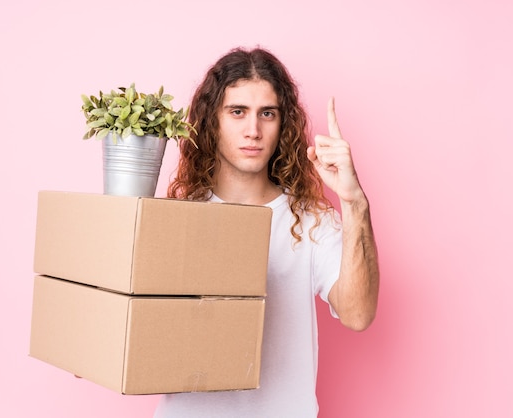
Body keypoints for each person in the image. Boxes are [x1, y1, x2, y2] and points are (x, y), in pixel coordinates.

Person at [154, 46, 379, 418]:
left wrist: (355, 202)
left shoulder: (310, 220)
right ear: (213, 121)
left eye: (267, 114)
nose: (253, 130)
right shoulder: (179, 219)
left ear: (282, 124)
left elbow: (358, 314)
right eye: (237, 112)